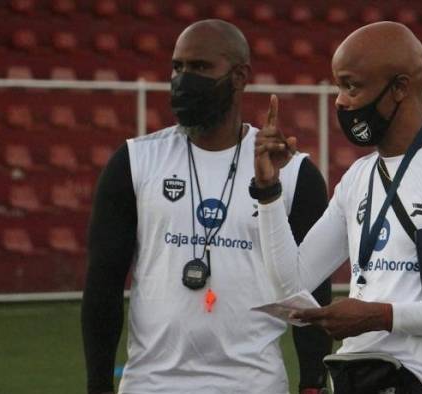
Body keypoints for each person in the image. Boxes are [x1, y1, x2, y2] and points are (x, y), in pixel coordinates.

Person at [253, 21, 422, 394]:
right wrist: (268, 191)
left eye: (352, 86)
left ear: (400, 87)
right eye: (339, 86)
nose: (340, 101)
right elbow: (290, 284)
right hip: (362, 376)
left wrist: (380, 316)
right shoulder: (358, 177)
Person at [81, 19, 332, 394]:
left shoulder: (295, 174)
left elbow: (314, 297)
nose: (183, 79)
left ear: (239, 76)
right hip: (152, 384)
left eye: (199, 68)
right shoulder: (134, 162)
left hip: (255, 384)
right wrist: (98, 387)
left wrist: (312, 384)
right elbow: (103, 284)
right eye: (177, 67)